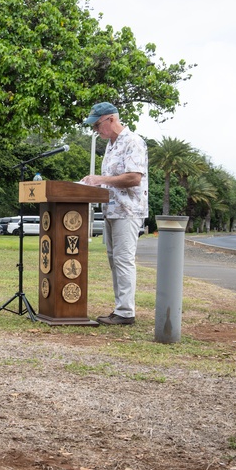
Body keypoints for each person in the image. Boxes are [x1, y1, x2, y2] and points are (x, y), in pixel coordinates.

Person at [79, 102, 148, 326]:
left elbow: (134, 178)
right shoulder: (110, 144)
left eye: (97, 125)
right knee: (114, 260)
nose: (96, 131)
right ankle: (120, 308)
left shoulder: (133, 142)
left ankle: (126, 312)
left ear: (110, 119)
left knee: (123, 260)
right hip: (110, 210)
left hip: (128, 211)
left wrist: (100, 180)